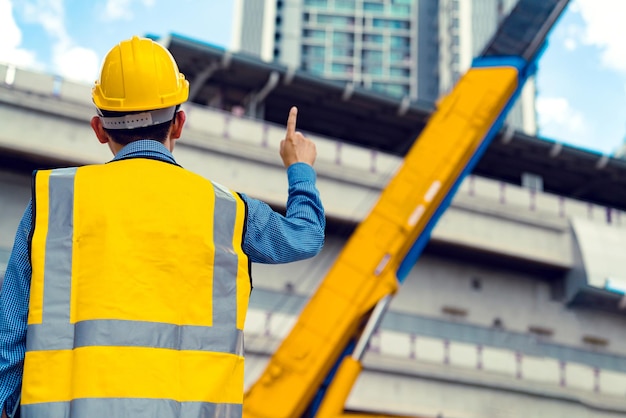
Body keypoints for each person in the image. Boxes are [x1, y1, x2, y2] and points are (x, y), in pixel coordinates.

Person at [0, 36, 325, 418]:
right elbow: (304, 236)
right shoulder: (229, 210)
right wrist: (299, 167)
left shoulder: (54, 201)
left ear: (99, 128)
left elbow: (9, 344)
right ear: (180, 122)